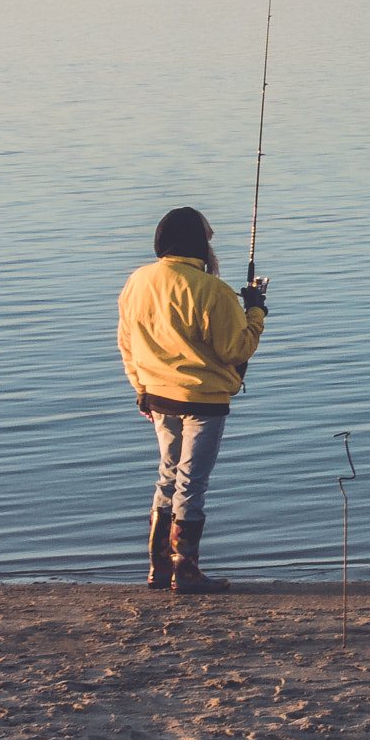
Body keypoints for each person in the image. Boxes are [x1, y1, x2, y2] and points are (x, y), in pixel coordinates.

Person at [117, 206, 268, 594]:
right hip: (204, 401)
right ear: (198, 243)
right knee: (192, 482)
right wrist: (256, 311)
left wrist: (141, 391)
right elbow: (236, 349)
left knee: (168, 476)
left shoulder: (138, 281)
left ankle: (158, 568)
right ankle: (186, 571)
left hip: (157, 396)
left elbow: (128, 343)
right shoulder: (212, 291)